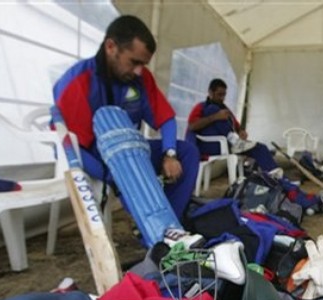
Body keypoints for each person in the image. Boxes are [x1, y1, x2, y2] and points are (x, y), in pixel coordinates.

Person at [53, 15, 199, 221]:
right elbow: (68, 147)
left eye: (144, 64)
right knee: (131, 172)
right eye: (134, 62)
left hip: (133, 151)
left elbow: (166, 119)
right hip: (96, 158)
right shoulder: (78, 82)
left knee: (188, 152)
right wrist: (113, 174)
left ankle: (171, 227)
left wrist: (170, 154)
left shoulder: (141, 78)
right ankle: (153, 227)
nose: (139, 71)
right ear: (111, 47)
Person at [186, 78, 281, 177]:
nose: (222, 98)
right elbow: (192, 126)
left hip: (229, 144)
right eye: (219, 94)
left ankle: (278, 178)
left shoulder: (224, 109)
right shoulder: (201, 107)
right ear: (210, 92)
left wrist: (241, 131)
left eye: (224, 95)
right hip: (209, 145)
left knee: (260, 148)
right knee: (213, 109)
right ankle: (234, 141)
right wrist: (215, 117)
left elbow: (236, 125)